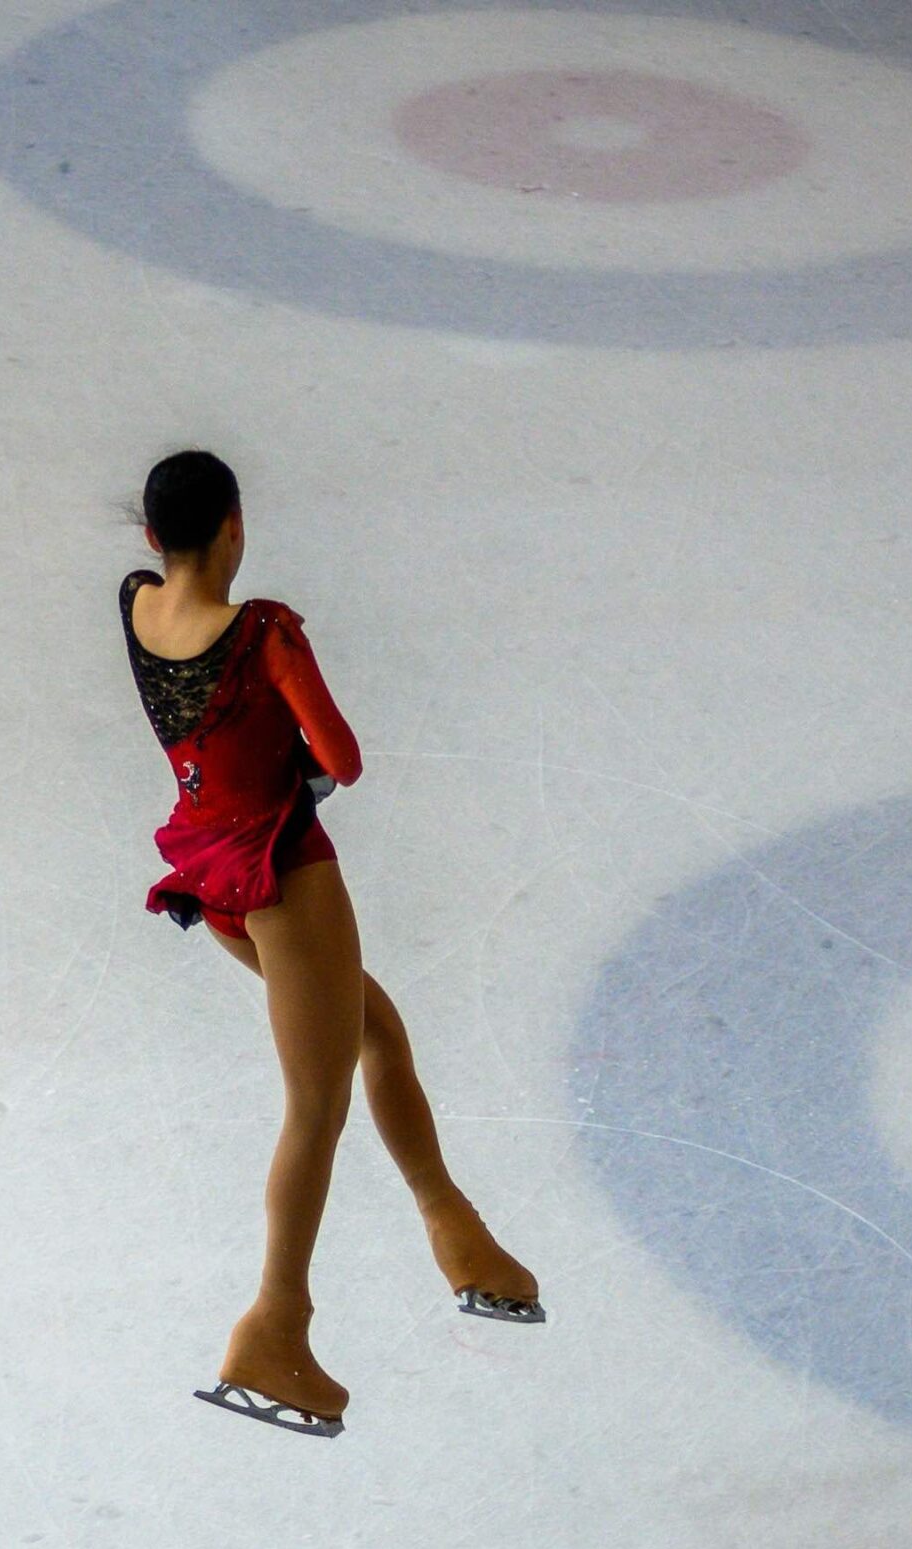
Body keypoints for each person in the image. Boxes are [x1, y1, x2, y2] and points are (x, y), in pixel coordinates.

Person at [120, 449, 543, 1437]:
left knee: (376, 1034)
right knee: (316, 1102)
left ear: (152, 538)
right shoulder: (261, 631)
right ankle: (276, 1326)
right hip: (283, 876)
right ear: (234, 526)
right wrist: (294, 759)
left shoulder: (137, 605)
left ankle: (460, 1236)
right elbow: (342, 757)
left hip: (210, 875)